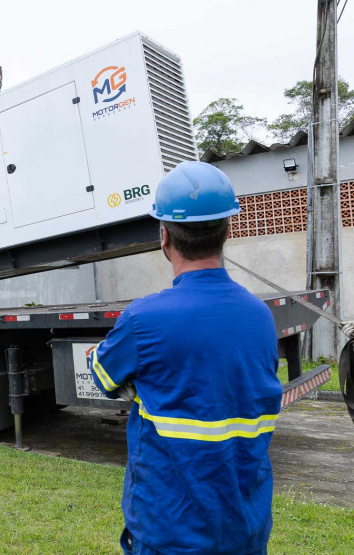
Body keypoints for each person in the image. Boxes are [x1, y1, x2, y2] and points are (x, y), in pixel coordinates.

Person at [89, 162, 280, 555]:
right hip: (246, 531)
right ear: (227, 231)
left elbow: (103, 379)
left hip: (169, 533)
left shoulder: (143, 320)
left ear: (163, 235)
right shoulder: (260, 316)